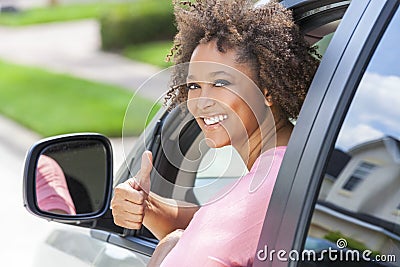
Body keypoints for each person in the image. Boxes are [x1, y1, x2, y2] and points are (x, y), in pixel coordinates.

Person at [111, 0, 319, 266]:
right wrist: (147, 206)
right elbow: (214, 226)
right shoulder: (288, 168)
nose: (201, 102)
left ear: (267, 90)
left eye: (221, 82)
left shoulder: (265, 187)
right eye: (195, 85)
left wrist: (169, 246)